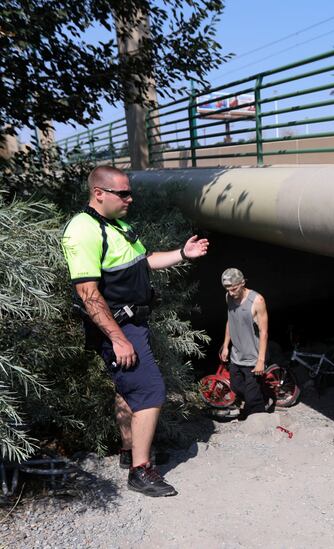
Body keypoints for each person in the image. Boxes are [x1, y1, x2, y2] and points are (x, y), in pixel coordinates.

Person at [61, 165, 209, 497]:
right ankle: (141, 472)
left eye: (130, 192)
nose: (131, 198)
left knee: (127, 391)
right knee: (151, 391)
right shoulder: (83, 230)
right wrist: (117, 337)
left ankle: (130, 454)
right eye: (123, 193)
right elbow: (88, 294)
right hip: (118, 327)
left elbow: (145, 260)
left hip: (133, 324)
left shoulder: (118, 226)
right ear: (99, 193)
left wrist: (183, 254)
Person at [219, 268, 269, 419]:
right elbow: (231, 320)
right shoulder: (228, 297)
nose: (231, 292)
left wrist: (261, 361)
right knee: (236, 386)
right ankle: (263, 399)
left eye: (234, 288)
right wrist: (226, 345)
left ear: (242, 283)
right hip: (236, 354)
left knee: (253, 397)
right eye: (227, 289)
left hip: (253, 357)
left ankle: (259, 419)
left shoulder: (257, 301)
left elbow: (264, 332)